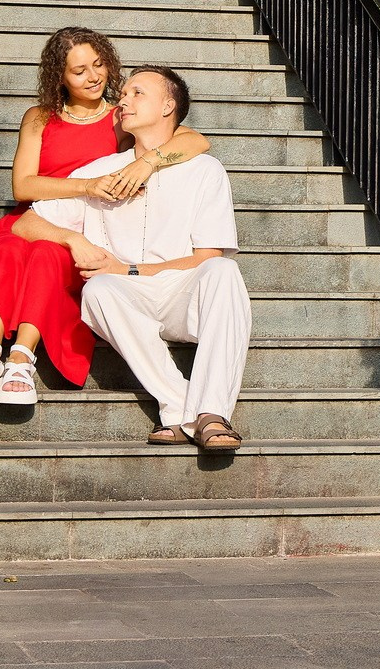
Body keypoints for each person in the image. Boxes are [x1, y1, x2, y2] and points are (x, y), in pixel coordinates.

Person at [0, 27, 211, 406]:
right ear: (60, 77)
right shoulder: (39, 117)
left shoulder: (122, 117)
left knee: (48, 256)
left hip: (88, 224)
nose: (94, 76)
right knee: (5, 248)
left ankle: (21, 357)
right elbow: (23, 186)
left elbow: (197, 141)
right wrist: (87, 185)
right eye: (80, 70)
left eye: (99, 65)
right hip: (35, 216)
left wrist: (148, 163)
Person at [17, 67, 252, 452]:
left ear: (168, 106)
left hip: (183, 293)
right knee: (99, 290)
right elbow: (26, 224)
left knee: (223, 271)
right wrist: (73, 239)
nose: (122, 100)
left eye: (137, 93)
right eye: (122, 94)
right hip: (127, 300)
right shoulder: (99, 173)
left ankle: (212, 411)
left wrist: (128, 268)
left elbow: (207, 256)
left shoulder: (204, 170)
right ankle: (181, 406)